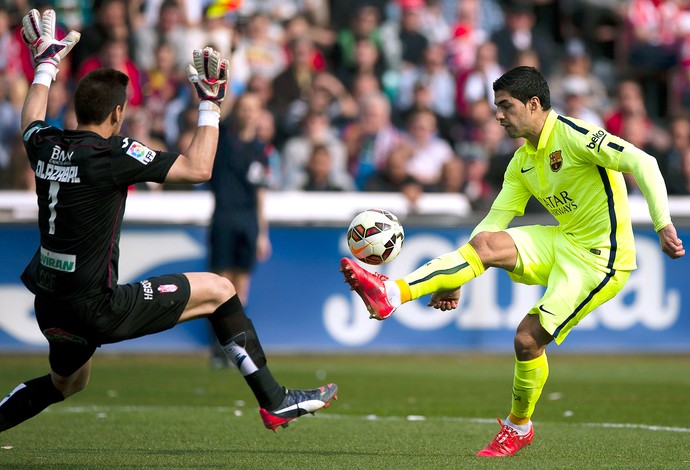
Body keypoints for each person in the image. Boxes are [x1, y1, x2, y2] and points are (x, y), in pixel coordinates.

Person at [0, 9, 337, 435]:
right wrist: (211, 104)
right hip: (96, 307)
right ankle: (274, 401)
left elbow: (30, 121)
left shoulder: (46, 145)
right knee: (220, 290)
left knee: (66, 383)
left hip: (50, 303)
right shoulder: (113, 153)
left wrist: (45, 65)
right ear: (118, 114)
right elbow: (198, 169)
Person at [340, 66, 684, 457]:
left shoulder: (575, 135)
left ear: (533, 104)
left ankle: (518, 426)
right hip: (562, 240)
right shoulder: (521, 161)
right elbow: (491, 224)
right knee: (486, 242)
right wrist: (452, 278)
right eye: (496, 107)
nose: (498, 115)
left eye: (505, 106)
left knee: (526, 340)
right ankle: (392, 292)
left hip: (601, 259)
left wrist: (662, 224)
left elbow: (645, 163)